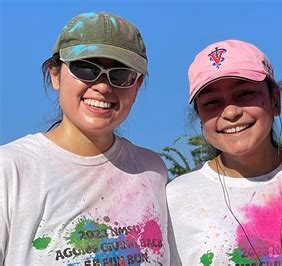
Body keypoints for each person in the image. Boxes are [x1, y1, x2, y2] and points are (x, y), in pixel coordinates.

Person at [0, 12, 177, 265]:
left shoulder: (153, 170)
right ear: (55, 74)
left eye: (120, 75)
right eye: (86, 68)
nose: (103, 86)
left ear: (136, 87)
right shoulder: (9, 169)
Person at [167, 39, 282, 265]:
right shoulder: (175, 198)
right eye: (212, 102)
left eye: (245, 94)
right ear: (201, 117)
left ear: (275, 101)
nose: (231, 112)